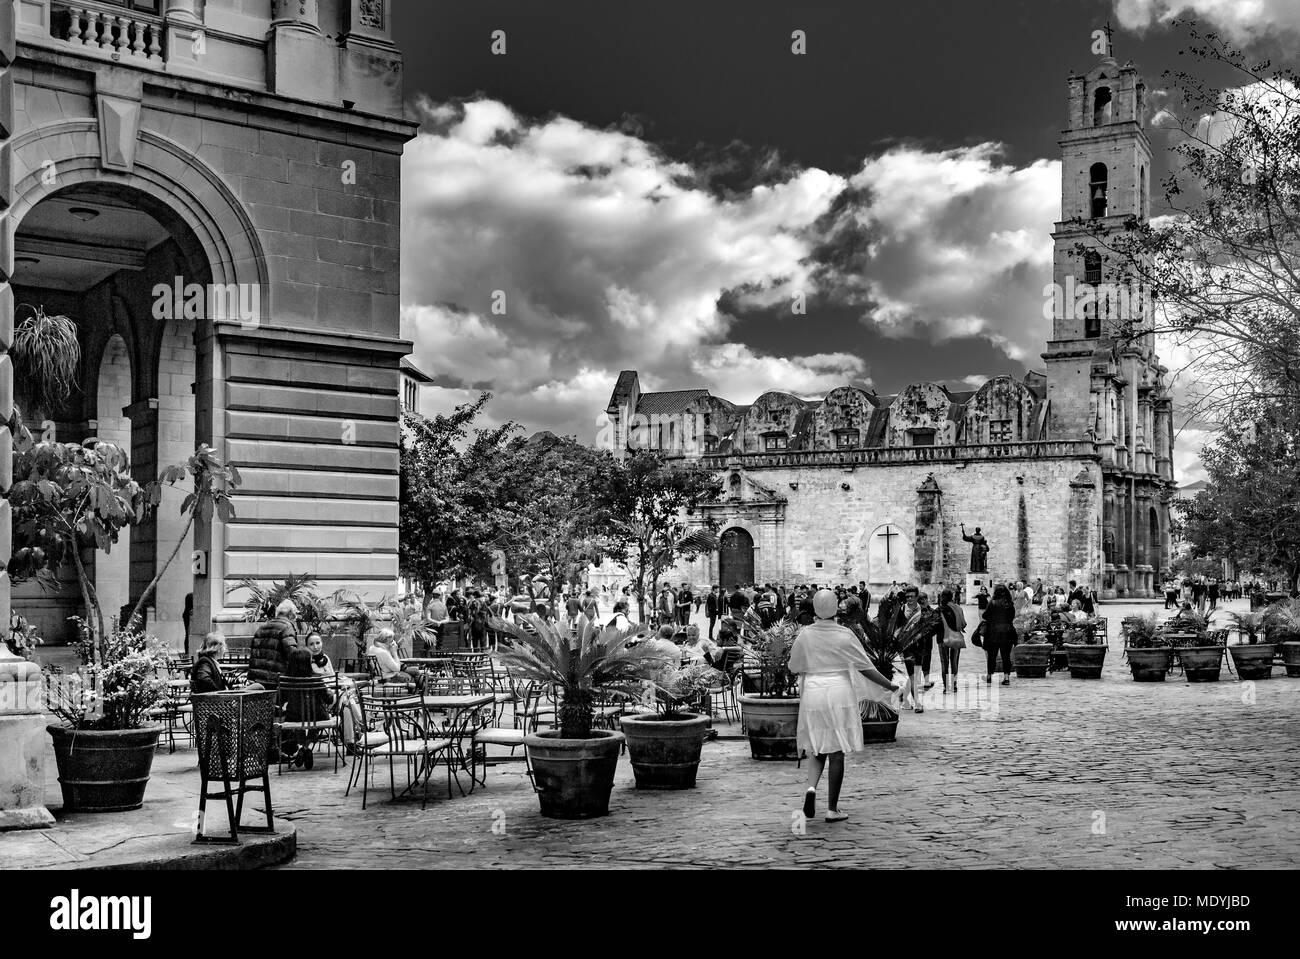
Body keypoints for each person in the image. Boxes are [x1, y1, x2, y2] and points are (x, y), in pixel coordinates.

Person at [789, 589, 900, 823]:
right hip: (838, 690)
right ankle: (832, 808)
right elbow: (865, 667)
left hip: (814, 692)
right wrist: (890, 686)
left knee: (817, 747)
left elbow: (793, 666)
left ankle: (811, 789)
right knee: (837, 751)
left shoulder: (805, 635)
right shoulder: (844, 635)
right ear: (835, 609)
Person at [248, 599, 298, 689]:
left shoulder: (262, 628)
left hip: (258, 679)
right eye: (295, 616)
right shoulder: (287, 627)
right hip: (276, 679)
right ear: (290, 614)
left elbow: (254, 653)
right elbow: (292, 653)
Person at [980, 584, 1018, 685]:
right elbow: (1012, 616)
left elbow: (985, 615)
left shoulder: (992, 603)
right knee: (1006, 656)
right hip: (1007, 631)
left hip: (993, 632)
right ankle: (1006, 677)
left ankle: (989, 676)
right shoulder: (1009, 604)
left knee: (992, 655)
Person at [937, 589, 966, 694]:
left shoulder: (938, 610)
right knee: (954, 662)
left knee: (944, 663)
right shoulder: (958, 609)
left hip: (942, 639)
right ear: (952, 597)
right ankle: (954, 685)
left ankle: (946, 687)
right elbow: (963, 624)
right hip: (956, 639)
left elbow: (935, 626)